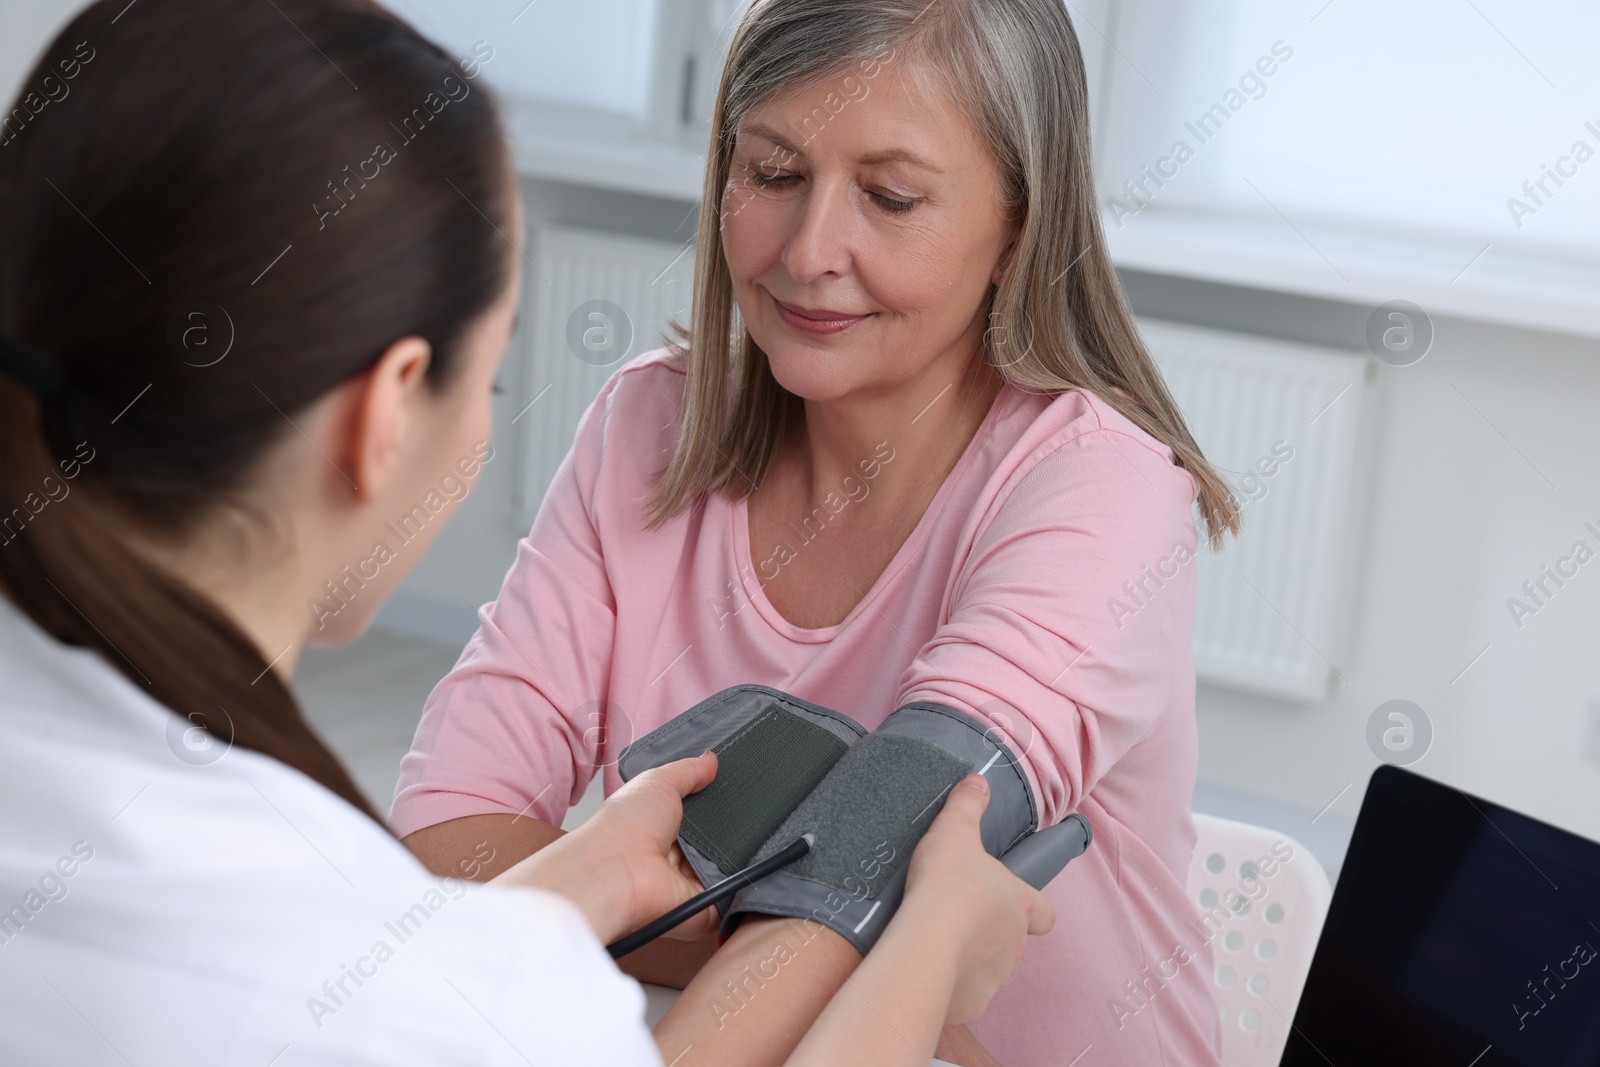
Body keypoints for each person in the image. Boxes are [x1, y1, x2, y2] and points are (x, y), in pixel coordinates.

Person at [0, 1, 1052, 1064]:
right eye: (492, 367)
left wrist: (584, 878)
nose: (815, 248)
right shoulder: (451, 997)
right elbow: (441, 892)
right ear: (385, 417)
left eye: (891, 194)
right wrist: (920, 951)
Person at [394, 0, 1238, 1064]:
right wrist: (857, 970)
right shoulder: (644, 424)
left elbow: (873, 843)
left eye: (890, 197)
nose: (808, 250)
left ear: (1017, 227)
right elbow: (449, 822)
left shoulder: (1100, 487)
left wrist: (643, 913)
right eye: (774, 173)